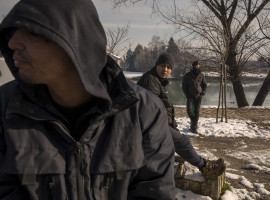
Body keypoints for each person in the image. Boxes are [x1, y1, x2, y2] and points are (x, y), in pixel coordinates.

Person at [0, 0, 176, 199]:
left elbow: (156, 193)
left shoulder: (145, 111)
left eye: (33, 33)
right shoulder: (4, 109)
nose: (12, 43)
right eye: (13, 31)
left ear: (75, 42)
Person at [137, 52, 225, 179]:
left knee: (178, 142)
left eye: (169, 67)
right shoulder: (150, 81)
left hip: (154, 125)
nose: (165, 69)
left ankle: (192, 165)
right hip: (149, 127)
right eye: (162, 65)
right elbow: (152, 110)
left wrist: (172, 124)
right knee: (182, 142)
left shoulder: (157, 80)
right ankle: (205, 167)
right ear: (157, 65)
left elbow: (160, 108)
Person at [182, 61, 207, 134]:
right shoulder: (188, 75)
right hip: (190, 96)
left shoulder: (201, 75)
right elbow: (184, 86)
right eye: (195, 66)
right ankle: (194, 122)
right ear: (193, 66)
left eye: (198, 66)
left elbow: (205, 85)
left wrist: (202, 94)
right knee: (189, 111)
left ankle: (194, 127)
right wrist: (187, 95)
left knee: (197, 112)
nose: (197, 67)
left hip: (199, 96)